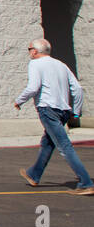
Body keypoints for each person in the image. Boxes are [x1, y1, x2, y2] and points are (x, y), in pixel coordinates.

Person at [15, 39, 94, 195]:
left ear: (35, 51)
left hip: (47, 109)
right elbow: (78, 89)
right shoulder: (60, 65)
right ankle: (34, 174)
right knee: (48, 142)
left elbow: (33, 87)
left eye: (29, 48)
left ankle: (86, 183)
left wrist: (19, 100)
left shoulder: (35, 64)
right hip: (63, 111)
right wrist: (76, 111)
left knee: (64, 147)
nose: (29, 51)